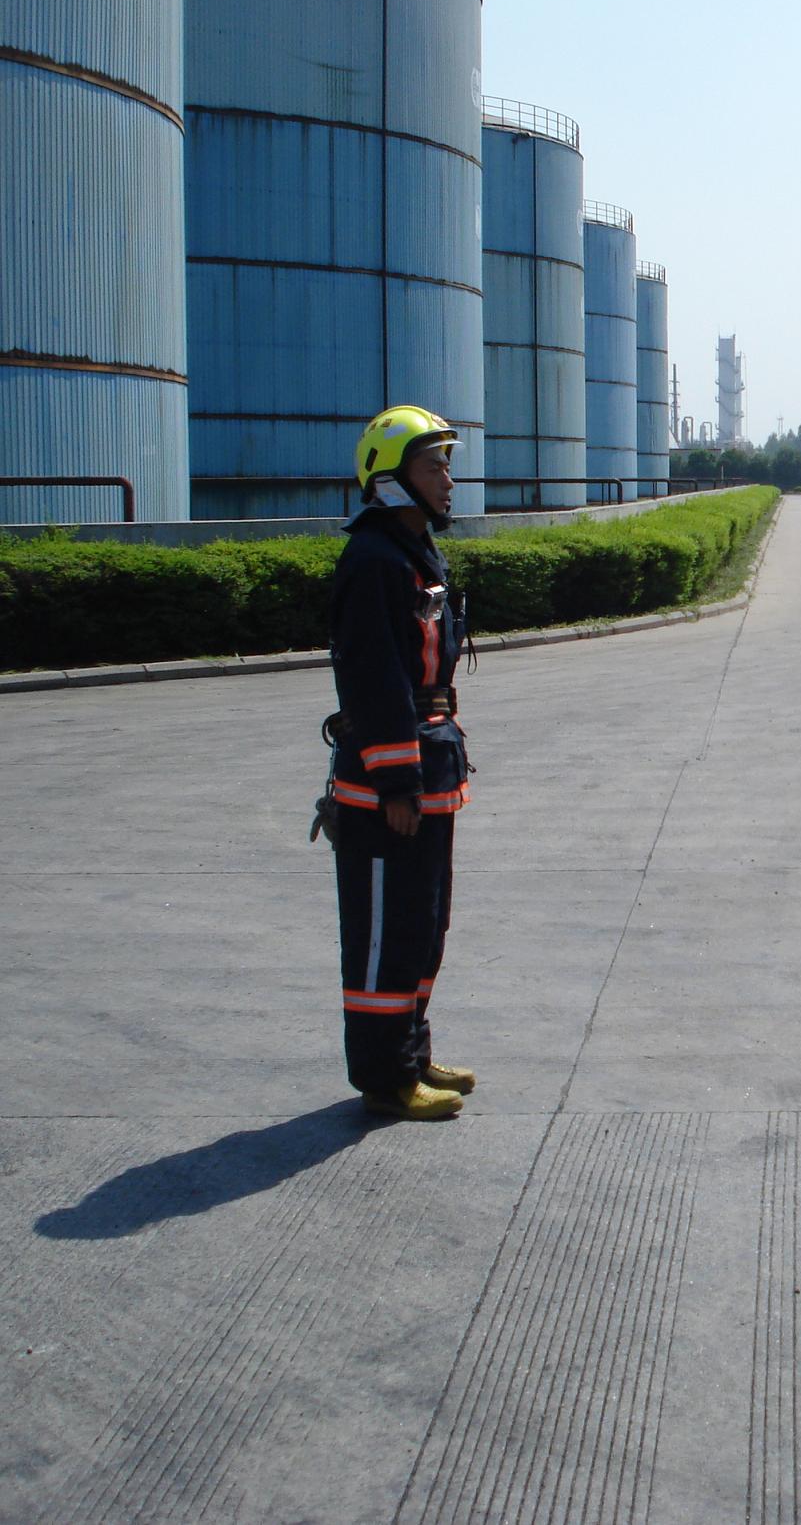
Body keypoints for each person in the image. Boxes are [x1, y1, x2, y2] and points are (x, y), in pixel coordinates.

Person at [326, 404, 476, 1120]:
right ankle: (385, 1078)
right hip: (390, 784)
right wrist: (396, 781)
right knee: (385, 934)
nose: (448, 479)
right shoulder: (373, 561)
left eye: (447, 464)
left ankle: (412, 1054)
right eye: (432, 465)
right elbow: (372, 678)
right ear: (390, 477)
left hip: (430, 768)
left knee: (423, 922)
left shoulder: (415, 551)